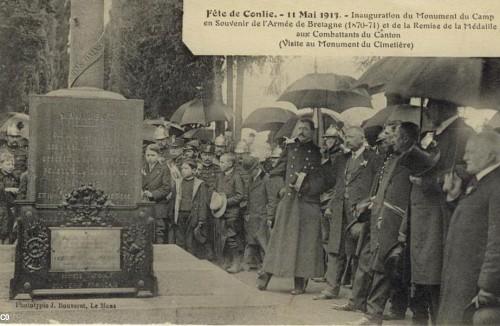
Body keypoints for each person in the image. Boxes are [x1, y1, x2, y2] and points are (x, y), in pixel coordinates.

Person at [409, 99, 475, 324]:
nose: (427, 111)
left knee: (438, 274)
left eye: (431, 106)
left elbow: (468, 171)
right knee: (424, 274)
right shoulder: (433, 134)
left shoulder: (464, 133)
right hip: (424, 213)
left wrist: (429, 181)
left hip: (443, 213)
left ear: (443, 107)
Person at [257, 119, 335, 295]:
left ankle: (300, 282)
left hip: (308, 203)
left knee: (304, 243)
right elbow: (275, 173)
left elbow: (327, 180)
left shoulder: (319, 152)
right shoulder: (290, 149)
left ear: (312, 132)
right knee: (280, 240)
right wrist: (281, 190)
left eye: (306, 129)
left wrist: (308, 187)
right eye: (299, 128)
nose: (302, 131)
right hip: (289, 203)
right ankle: (266, 276)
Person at [352, 122, 419, 325]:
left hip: (397, 219)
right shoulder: (391, 157)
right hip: (382, 216)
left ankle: (375, 313)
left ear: (405, 138)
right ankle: (380, 311)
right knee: (382, 264)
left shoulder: (413, 158)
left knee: (386, 265)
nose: (388, 139)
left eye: (393, 135)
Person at [437, 131, 500, 325]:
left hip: (473, 283)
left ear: (492, 155)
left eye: (471, 152)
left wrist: (488, 287)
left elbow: (496, 241)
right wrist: (454, 198)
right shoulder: (481, 182)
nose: (465, 158)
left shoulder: (496, 185)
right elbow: (471, 222)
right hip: (460, 278)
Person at [320, 127, 379, 309]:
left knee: (357, 251)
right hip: (340, 208)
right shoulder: (341, 159)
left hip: (359, 211)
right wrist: (331, 205)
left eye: (352, 137)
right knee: (335, 246)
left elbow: (376, 186)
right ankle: (331, 288)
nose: (347, 140)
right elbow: (337, 184)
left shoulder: (373, 159)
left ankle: (357, 293)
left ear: (362, 138)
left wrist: (368, 205)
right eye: (346, 137)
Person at [169, 159, 209, 258]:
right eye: (182, 168)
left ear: (194, 170)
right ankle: (180, 260)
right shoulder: (178, 183)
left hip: (192, 215)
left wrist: (201, 218)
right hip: (180, 214)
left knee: (190, 240)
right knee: (180, 239)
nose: (183, 170)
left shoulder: (200, 184)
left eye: (186, 168)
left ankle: (190, 261)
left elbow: (202, 202)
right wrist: (171, 214)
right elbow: (173, 200)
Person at [212, 153, 244, 273]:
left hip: (232, 212)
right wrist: (216, 202)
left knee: (232, 237)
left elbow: (240, 195)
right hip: (221, 212)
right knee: (223, 237)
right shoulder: (219, 177)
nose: (220, 164)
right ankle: (226, 261)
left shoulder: (236, 177)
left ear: (230, 164)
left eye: (223, 162)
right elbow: (216, 192)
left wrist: (225, 202)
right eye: (220, 162)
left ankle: (236, 262)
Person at [241, 156, 273, 271]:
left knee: (263, 242)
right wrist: (247, 212)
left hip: (262, 216)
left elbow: (271, 199)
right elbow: (249, 198)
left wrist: (270, 216)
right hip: (252, 215)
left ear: (257, 167)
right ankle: (250, 263)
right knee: (251, 240)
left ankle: (267, 266)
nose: (249, 174)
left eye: (251, 171)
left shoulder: (266, 179)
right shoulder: (251, 179)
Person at [142, 144, 172, 244]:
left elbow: (166, 187)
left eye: (153, 155)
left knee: (159, 231)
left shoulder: (164, 169)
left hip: (159, 205)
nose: (150, 158)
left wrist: (153, 194)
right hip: (144, 204)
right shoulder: (143, 168)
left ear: (159, 155)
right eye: (148, 155)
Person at [197, 144, 220, 260]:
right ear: (201, 155)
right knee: (201, 225)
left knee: (213, 227)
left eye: (210, 155)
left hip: (213, 201)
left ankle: (214, 251)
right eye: (205, 154)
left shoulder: (217, 169)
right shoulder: (197, 169)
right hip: (200, 202)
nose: (207, 157)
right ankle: (204, 250)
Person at [0, 152, 18, 244]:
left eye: (12, 164)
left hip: (10, 209)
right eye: (8, 164)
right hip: (1, 208)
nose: (11, 166)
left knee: (9, 232)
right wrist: (8, 189)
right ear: (0, 164)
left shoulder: (14, 177)